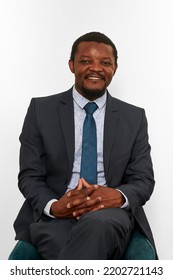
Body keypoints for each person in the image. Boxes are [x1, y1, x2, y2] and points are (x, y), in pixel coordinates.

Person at [14, 31, 156, 260]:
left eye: (105, 62)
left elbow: (144, 180)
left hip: (109, 212)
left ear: (115, 69)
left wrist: (116, 196)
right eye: (86, 61)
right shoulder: (41, 111)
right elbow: (30, 176)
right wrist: (54, 206)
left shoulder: (134, 117)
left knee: (98, 225)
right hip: (58, 210)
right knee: (55, 238)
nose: (96, 68)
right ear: (71, 65)